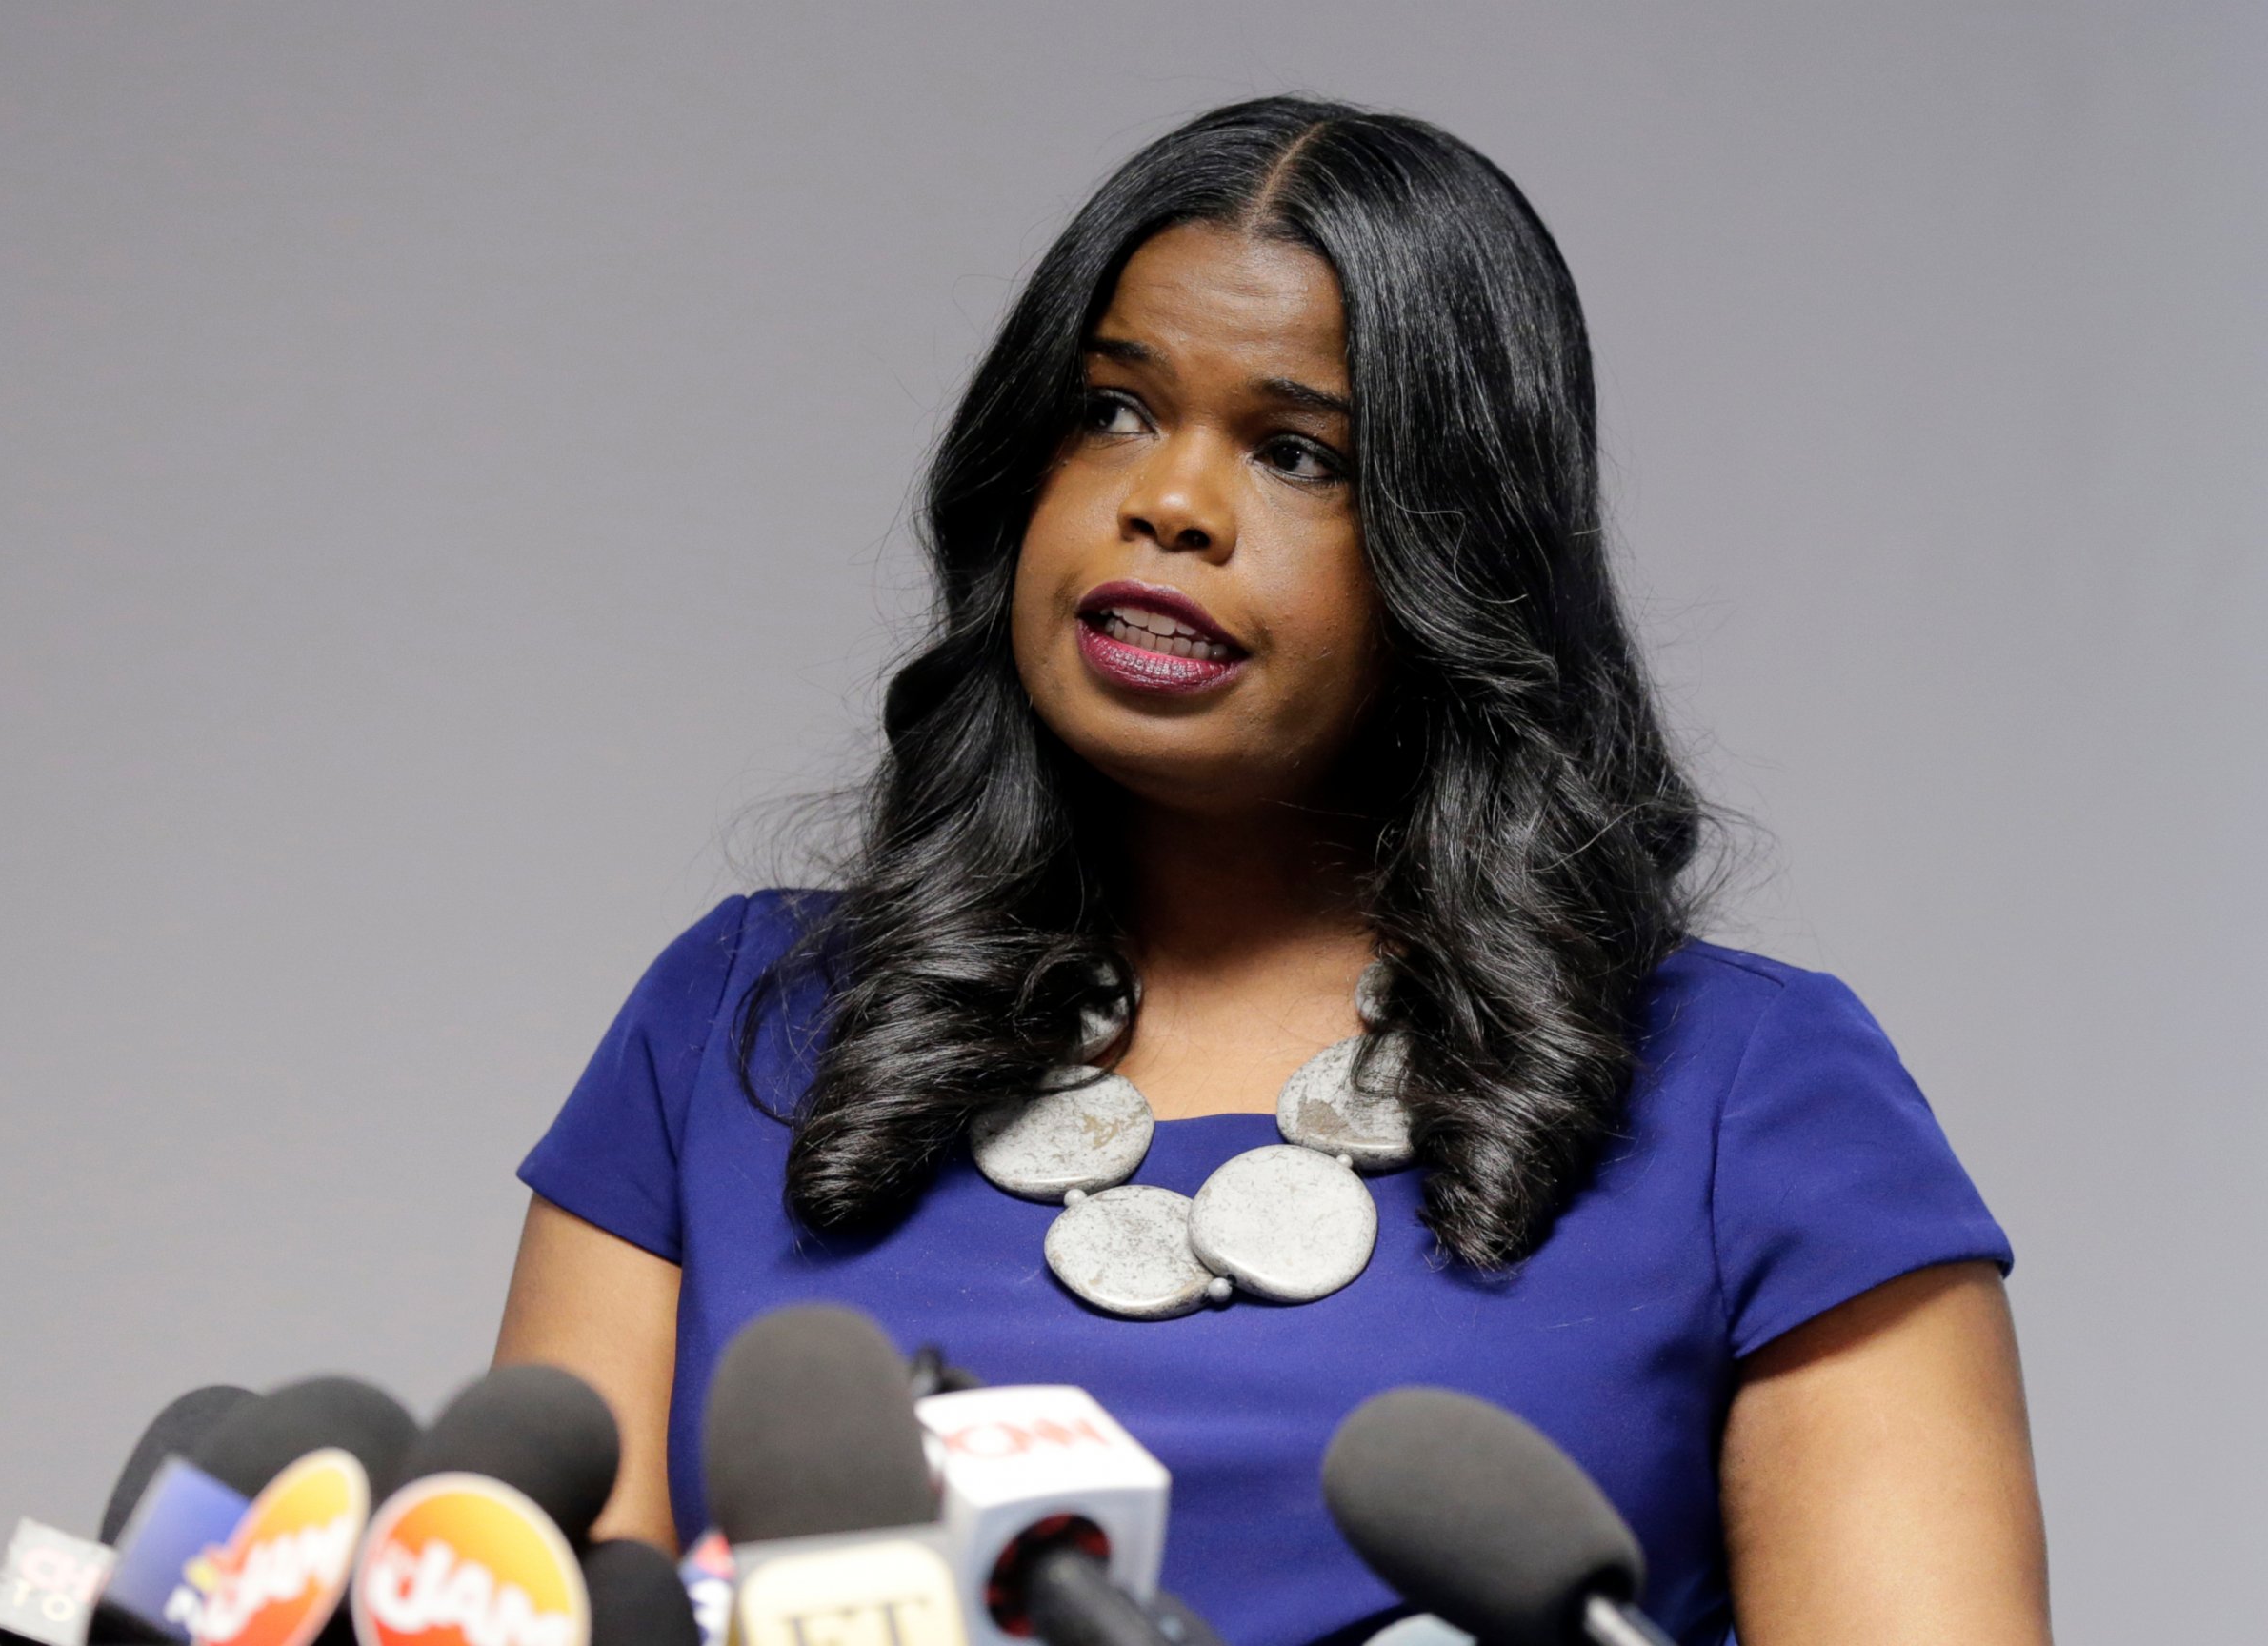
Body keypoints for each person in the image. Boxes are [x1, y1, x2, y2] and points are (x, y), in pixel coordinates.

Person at [494, 96, 2051, 1646]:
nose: (1167, 501)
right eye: (1110, 410)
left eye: (1299, 451)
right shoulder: (734, 1028)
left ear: (1460, 553)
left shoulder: (1754, 1096)